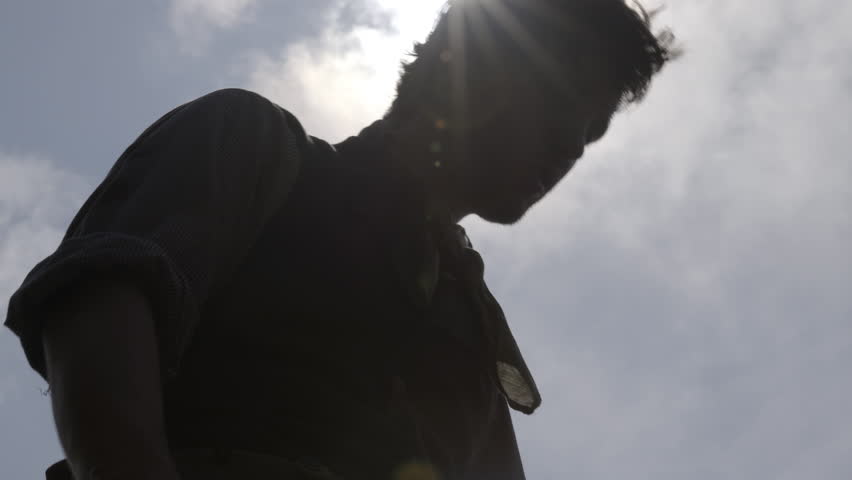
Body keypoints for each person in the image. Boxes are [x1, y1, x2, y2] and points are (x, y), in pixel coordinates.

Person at [4, 0, 678, 479]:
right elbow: (101, 296)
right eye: (559, 104)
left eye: (590, 132)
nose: (571, 147)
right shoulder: (254, 145)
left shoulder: (473, 331)